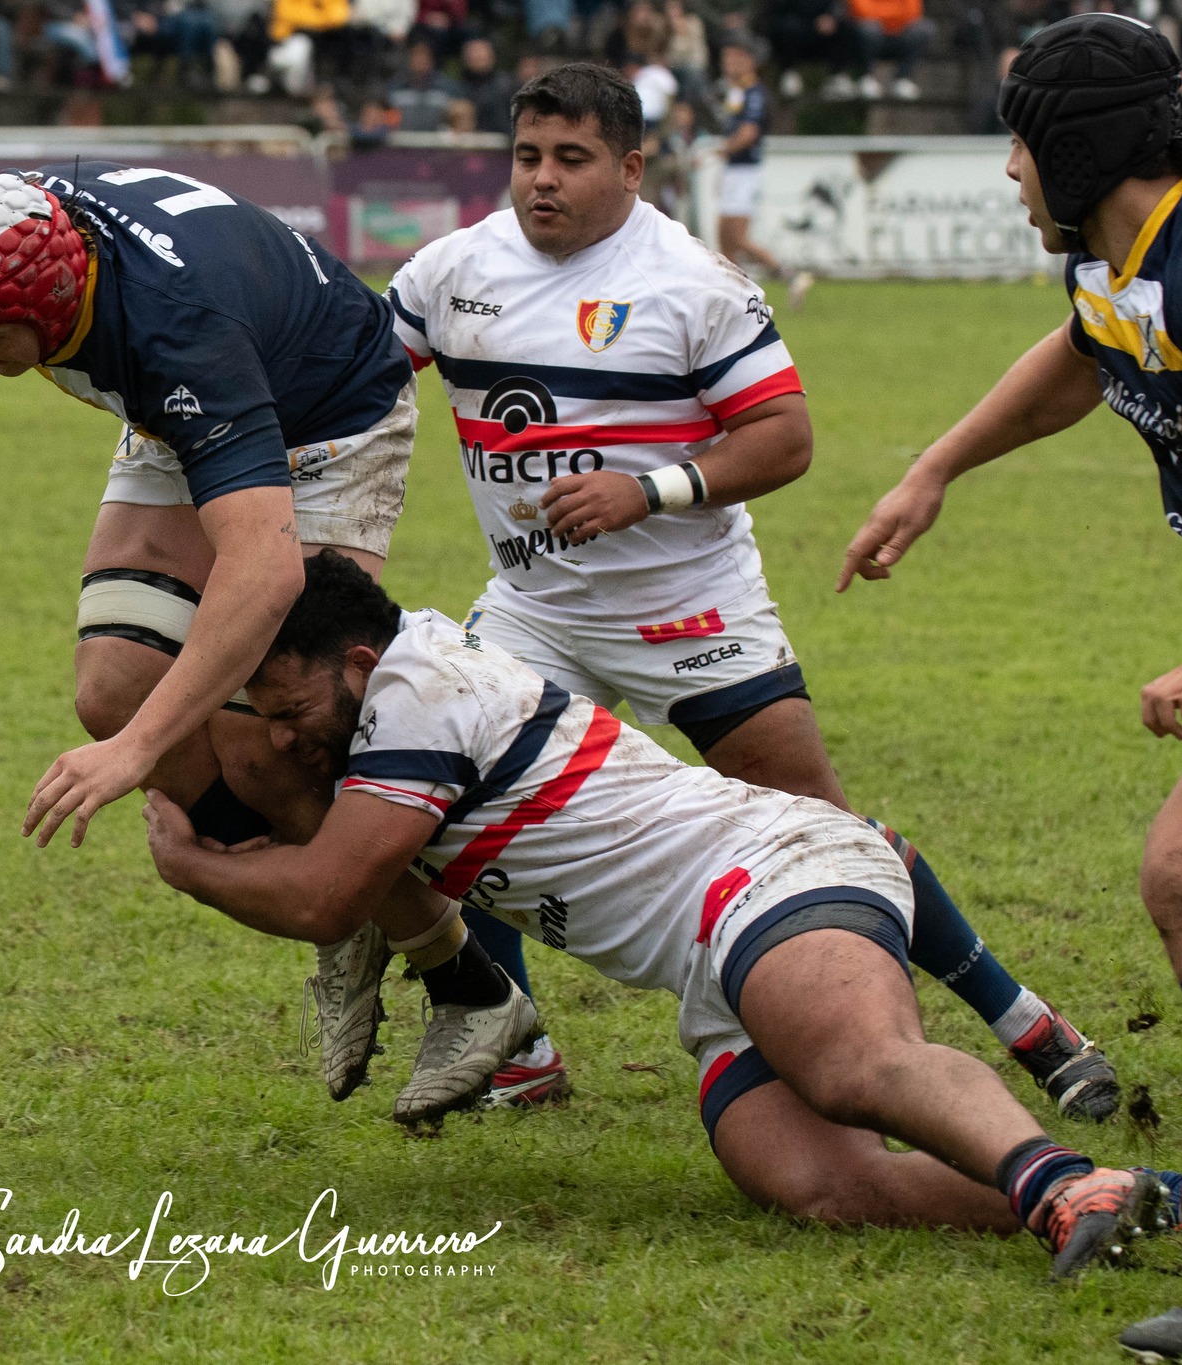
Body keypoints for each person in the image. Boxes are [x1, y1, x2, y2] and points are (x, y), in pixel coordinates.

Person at [0, 164, 545, 1122]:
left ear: (53, 302)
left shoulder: (177, 332)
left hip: (328, 413)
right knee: (113, 688)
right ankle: (346, 910)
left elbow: (264, 572)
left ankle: (472, 989)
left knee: (272, 736)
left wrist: (137, 753)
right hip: (178, 409)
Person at [385, 62, 1121, 1115]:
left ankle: (1029, 1024)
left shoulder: (694, 283)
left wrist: (647, 490)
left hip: (687, 609)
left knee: (823, 830)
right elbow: (356, 373)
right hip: (534, 607)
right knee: (454, 795)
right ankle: (518, 1049)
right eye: (527, 156)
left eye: (570, 159)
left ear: (630, 169)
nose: (541, 179)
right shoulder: (450, 269)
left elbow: (784, 438)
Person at [144, 552, 1165, 1270]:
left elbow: (328, 896)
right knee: (818, 1186)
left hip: (766, 873)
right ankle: (1140, 1192)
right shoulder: (394, 693)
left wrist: (188, 865)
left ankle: (1055, 1182)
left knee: (855, 1065)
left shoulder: (419, 694)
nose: (282, 740)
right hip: (710, 960)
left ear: (358, 666)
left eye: (292, 712)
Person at [837, 15, 1182, 1359]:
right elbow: (1084, 352)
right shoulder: (1127, 264)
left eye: (1018, 146)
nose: (1008, 173)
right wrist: (934, 470)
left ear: (1074, 151)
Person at [713, 40, 794, 292]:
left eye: (734, 58)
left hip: (745, 171)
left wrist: (721, 150)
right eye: (726, 58)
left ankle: (788, 275)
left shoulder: (755, 93)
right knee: (725, 239)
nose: (728, 64)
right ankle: (734, 292)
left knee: (736, 238)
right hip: (734, 170)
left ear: (749, 61)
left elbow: (749, 133)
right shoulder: (736, 92)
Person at [846, 0, 930, 100]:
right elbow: (861, 12)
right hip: (868, 34)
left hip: (899, 34)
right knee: (869, 28)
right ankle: (865, 77)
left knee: (923, 29)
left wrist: (881, 16)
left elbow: (913, 13)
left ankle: (902, 79)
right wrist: (895, 15)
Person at [386, 39, 455, 130]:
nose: (420, 60)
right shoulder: (395, 86)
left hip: (438, 138)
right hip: (403, 137)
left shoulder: (446, 87)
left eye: (423, 55)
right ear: (409, 60)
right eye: (416, 55)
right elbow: (388, 117)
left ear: (432, 60)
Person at [454, 36, 514, 134]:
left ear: (492, 56)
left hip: (502, 139)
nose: (478, 56)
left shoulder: (506, 86)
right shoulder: (455, 88)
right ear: (465, 57)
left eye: (482, 52)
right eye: (474, 53)